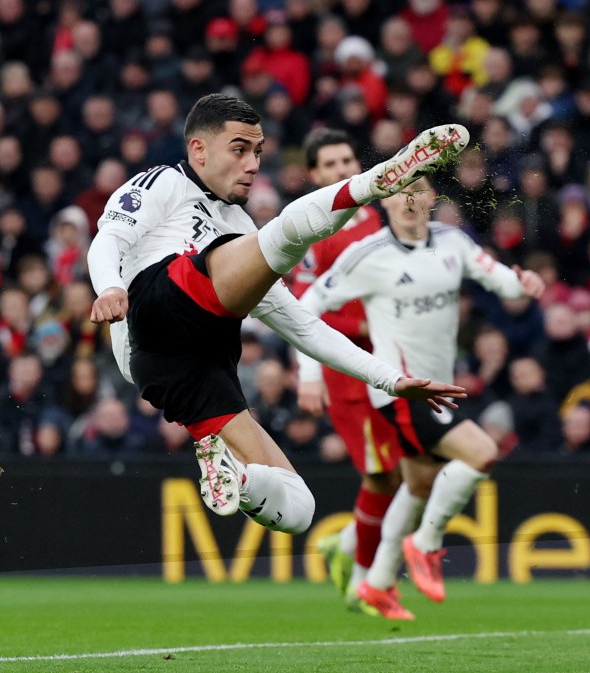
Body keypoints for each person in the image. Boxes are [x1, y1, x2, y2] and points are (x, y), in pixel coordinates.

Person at [87, 93, 469, 537]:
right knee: (280, 239)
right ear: (199, 149)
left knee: (298, 508)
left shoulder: (239, 230)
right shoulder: (163, 183)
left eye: (258, 152)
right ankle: (378, 180)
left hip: (185, 373)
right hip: (153, 313)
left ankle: (235, 476)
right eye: (239, 150)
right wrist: (109, 286)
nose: (252, 164)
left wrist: (390, 380)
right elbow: (107, 239)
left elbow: (304, 326)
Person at [296, 175, 545, 619]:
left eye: (418, 191)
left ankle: (375, 585)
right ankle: (425, 544)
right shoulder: (367, 256)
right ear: (384, 202)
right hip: (400, 392)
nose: (409, 199)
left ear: (432, 198)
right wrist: (310, 373)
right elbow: (306, 306)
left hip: (441, 391)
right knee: (482, 453)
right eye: (398, 192)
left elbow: (499, 279)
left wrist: (520, 282)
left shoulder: (453, 242)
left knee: (418, 485)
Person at [290, 128, 405, 609]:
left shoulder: (379, 217)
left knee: (399, 477)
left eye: (347, 161)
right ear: (315, 175)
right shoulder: (314, 233)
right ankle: (364, 577)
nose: (342, 171)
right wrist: (309, 374)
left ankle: (348, 551)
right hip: (349, 372)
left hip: (393, 363)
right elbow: (299, 307)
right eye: (330, 165)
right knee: (388, 476)